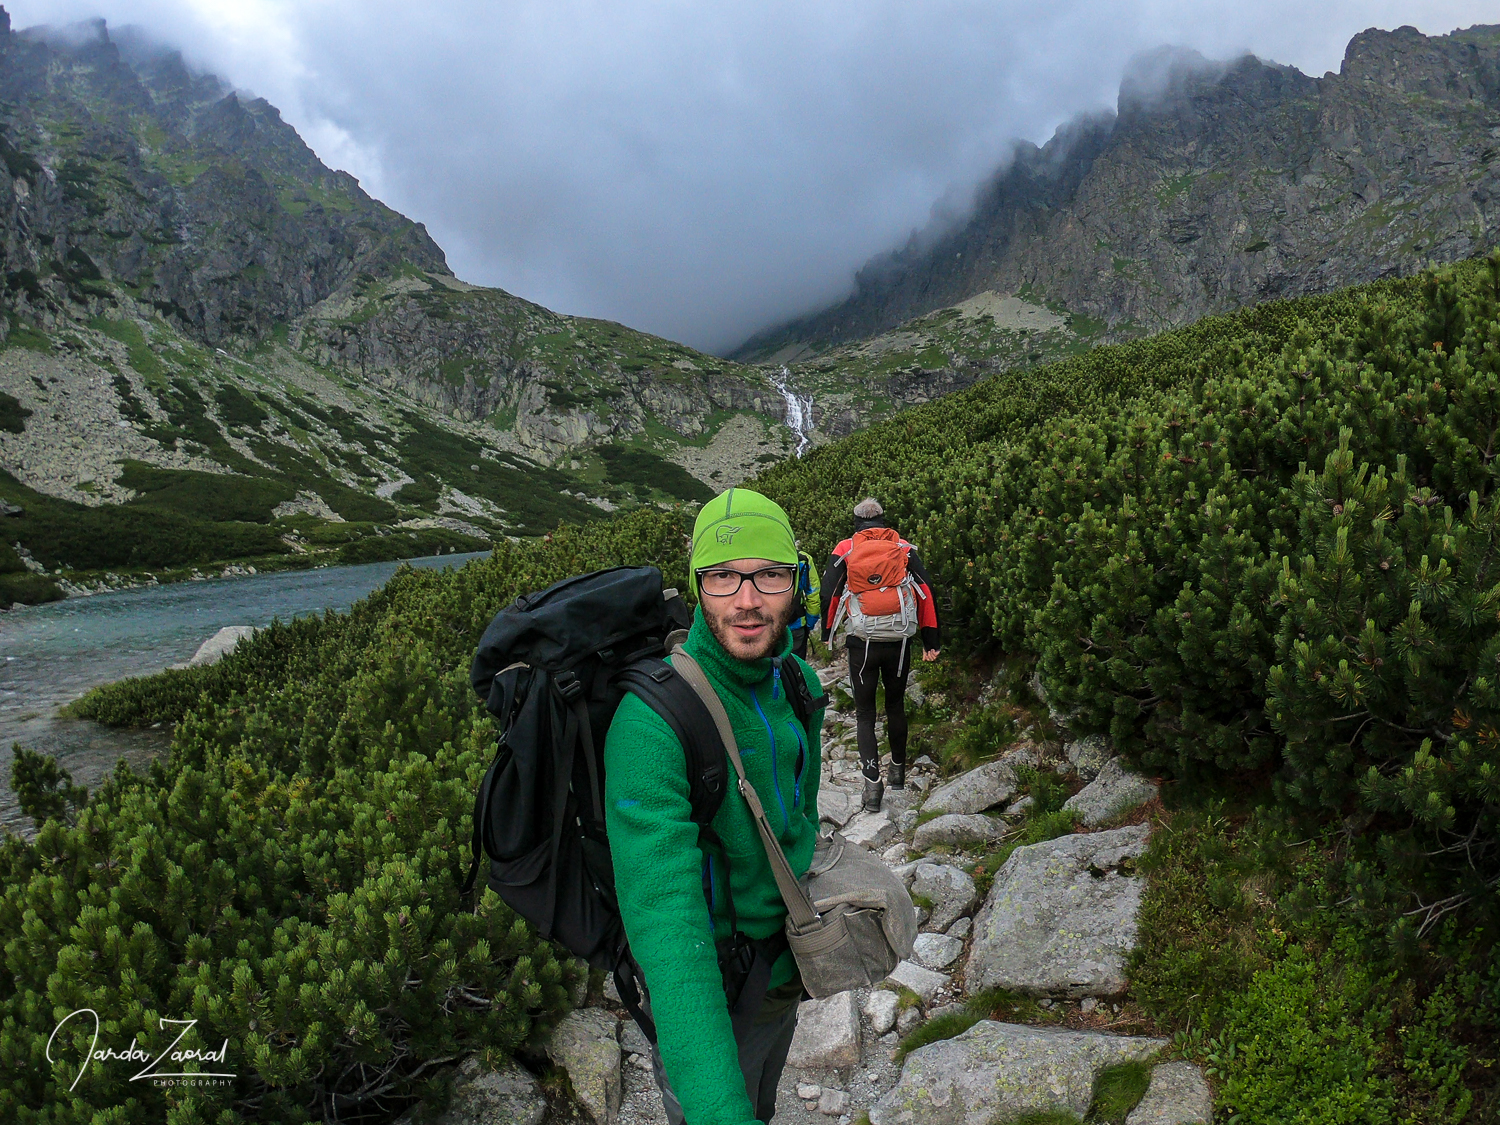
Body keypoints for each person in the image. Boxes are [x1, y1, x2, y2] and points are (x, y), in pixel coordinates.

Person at [604, 487, 825, 1125]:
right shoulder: (650, 726)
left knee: (764, 1101)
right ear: (697, 587)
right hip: (711, 992)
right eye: (723, 577)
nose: (748, 600)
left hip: (784, 974)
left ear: (797, 580)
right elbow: (667, 930)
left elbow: (799, 823)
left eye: (769, 575)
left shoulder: (797, 683)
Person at [821, 498, 940, 811]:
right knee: (896, 704)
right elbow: (926, 588)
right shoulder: (902, 547)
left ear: (856, 522)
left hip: (863, 643)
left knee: (865, 713)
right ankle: (898, 772)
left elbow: (829, 593)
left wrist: (827, 633)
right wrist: (931, 639)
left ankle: (873, 787)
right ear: (883, 520)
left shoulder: (845, 547)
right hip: (899, 641)